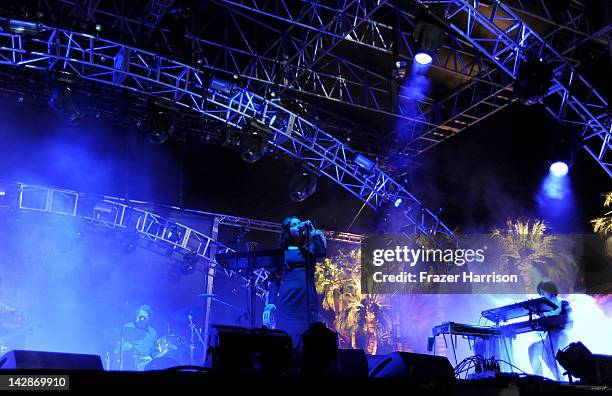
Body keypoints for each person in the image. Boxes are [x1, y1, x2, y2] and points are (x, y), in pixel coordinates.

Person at [263, 216, 326, 345]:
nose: (298, 225)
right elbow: (275, 278)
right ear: (287, 230)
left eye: (299, 223)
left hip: (307, 297)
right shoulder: (283, 252)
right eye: (294, 224)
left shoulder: (311, 249)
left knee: (309, 335)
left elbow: (322, 251)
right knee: (288, 335)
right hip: (288, 298)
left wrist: (313, 231)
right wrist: (271, 303)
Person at [528, 281, 573, 381]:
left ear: (550, 291)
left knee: (550, 354)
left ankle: (560, 380)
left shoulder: (562, 302)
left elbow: (569, 322)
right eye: (540, 293)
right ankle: (539, 378)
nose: (541, 295)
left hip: (561, 336)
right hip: (549, 337)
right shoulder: (542, 307)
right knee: (532, 348)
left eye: (543, 292)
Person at [120, 304, 158, 371]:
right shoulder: (126, 328)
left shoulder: (153, 332)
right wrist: (125, 346)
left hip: (148, 366)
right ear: (136, 315)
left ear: (149, 319)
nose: (142, 319)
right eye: (140, 317)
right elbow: (118, 346)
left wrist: (151, 357)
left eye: (144, 317)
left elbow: (156, 350)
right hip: (129, 365)